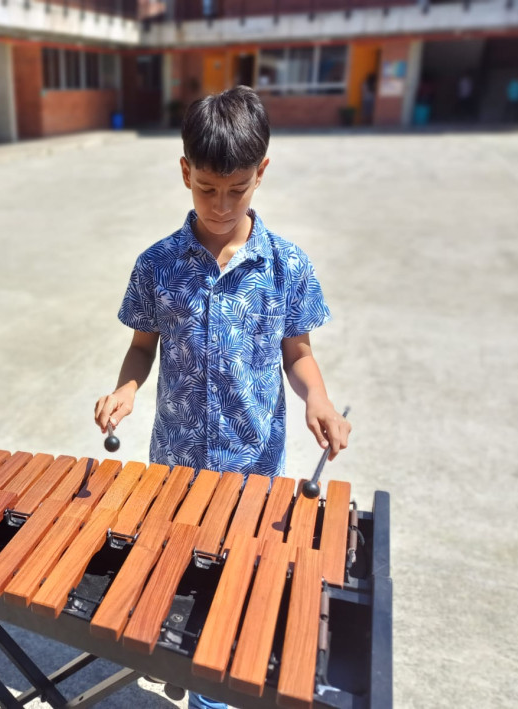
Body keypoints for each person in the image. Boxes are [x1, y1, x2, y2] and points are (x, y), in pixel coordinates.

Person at [93, 86, 351, 709]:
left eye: (237, 189)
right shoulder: (157, 265)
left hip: (253, 471)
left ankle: (215, 692)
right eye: (207, 187)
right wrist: (126, 388)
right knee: (183, 584)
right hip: (176, 468)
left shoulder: (288, 266)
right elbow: (142, 346)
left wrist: (317, 397)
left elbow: (298, 353)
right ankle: (183, 663)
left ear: (261, 172)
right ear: (185, 171)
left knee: (237, 597)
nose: (220, 203)